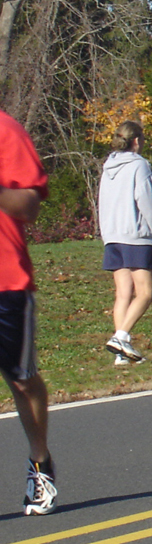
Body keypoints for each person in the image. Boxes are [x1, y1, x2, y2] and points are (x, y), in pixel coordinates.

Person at [1, 109, 55, 515]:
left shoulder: (5, 130)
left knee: (22, 381)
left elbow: (29, 205)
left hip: (5, 282)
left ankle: (40, 461)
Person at [98, 121, 152, 363]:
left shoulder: (108, 167)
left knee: (123, 294)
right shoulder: (140, 166)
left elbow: (103, 203)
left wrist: (106, 234)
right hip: (136, 238)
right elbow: (148, 203)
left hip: (113, 238)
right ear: (136, 141)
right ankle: (120, 337)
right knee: (146, 292)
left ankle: (121, 355)